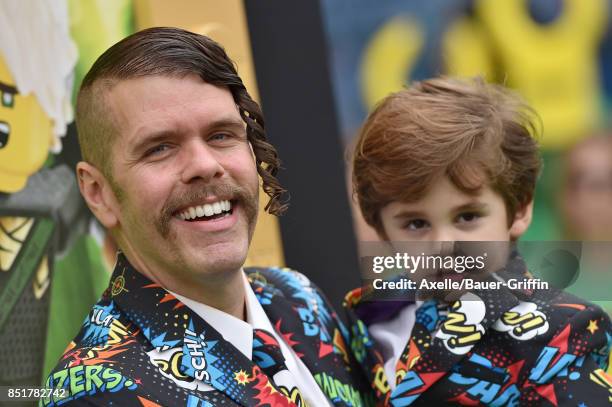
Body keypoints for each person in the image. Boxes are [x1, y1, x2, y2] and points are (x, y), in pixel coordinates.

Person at [42, 27, 373, 407]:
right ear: (98, 193)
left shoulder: (297, 296)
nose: (204, 165)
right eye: (159, 148)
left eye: (221, 135)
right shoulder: (97, 394)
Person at [344, 77, 612, 405]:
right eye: (416, 224)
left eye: (467, 216)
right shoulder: (362, 317)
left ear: (519, 208)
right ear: (382, 230)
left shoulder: (564, 331)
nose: (444, 244)